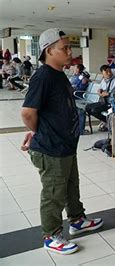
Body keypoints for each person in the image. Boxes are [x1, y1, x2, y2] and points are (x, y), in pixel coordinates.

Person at [20, 28, 103, 255]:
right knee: (54, 193)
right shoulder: (43, 76)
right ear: (49, 51)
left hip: (65, 146)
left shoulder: (58, 74)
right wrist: (40, 132)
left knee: (70, 186)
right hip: (51, 148)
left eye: (69, 46)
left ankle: (76, 219)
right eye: (64, 48)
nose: (70, 51)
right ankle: (51, 235)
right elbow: (28, 112)